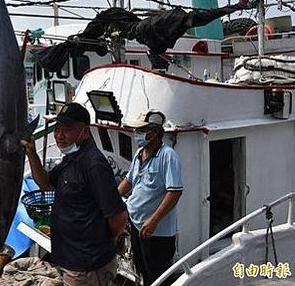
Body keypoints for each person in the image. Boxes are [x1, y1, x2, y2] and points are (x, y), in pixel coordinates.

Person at [23, 102, 128, 286]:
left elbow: (118, 218)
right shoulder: (71, 159)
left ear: (85, 132)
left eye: (67, 129)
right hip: (69, 262)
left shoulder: (93, 165)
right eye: (57, 128)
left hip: (87, 268)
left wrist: (101, 241)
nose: (59, 135)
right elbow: (45, 182)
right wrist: (32, 153)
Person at [118, 110, 183, 285]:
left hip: (157, 233)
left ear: (154, 132)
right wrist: (112, 198)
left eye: (140, 130)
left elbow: (174, 192)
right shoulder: (140, 153)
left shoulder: (168, 156)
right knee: (142, 269)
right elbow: (129, 180)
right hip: (137, 226)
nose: (135, 134)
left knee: (158, 275)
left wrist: (154, 221)